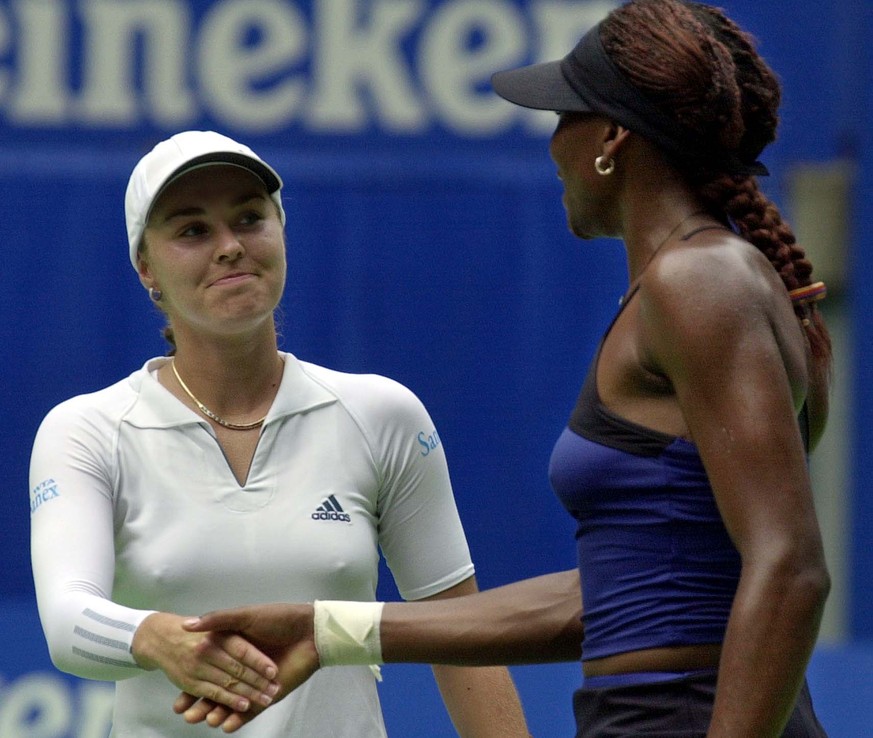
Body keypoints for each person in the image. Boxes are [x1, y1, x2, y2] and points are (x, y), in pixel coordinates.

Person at [171, 2, 834, 736]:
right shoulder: (697, 283)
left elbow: (790, 568)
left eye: (564, 117)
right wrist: (328, 632)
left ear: (611, 137)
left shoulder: (700, 282)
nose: (552, 144)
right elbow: (602, 602)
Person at [29, 129, 531, 737]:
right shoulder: (86, 431)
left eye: (249, 219)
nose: (230, 247)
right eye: (192, 230)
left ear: (281, 233)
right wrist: (158, 640)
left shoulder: (382, 414)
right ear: (146, 270)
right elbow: (66, 621)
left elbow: (462, 635)